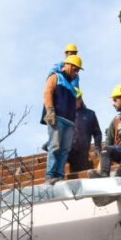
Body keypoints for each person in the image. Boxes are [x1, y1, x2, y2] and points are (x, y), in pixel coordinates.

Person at [42, 55, 83, 185]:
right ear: (69, 66)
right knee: (54, 146)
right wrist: (50, 110)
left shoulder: (72, 86)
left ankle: (59, 175)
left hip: (69, 122)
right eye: (75, 70)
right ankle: (50, 176)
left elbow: (75, 106)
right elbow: (47, 92)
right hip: (57, 118)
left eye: (78, 71)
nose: (76, 73)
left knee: (65, 149)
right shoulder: (55, 77)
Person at [67, 91, 102, 174]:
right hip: (69, 150)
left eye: (76, 99)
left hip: (83, 151)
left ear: (80, 99)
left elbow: (97, 133)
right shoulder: (66, 115)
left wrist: (97, 147)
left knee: (82, 171)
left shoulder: (90, 114)